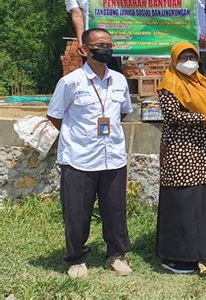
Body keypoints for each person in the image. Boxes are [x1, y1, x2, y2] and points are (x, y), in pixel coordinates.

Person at [47, 28, 133, 279]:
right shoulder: (70, 82)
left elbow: (123, 112)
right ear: (84, 50)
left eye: (108, 44)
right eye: (99, 45)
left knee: (115, 209)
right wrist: (78, 136)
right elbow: (54, 115)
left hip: (113, 156)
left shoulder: (119, 80)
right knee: (77, 212)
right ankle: (76, 259)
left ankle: (116, 255)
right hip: (79, 158)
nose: (105, 48)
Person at [155, 42, 206, 276]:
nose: (189, 61)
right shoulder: (169, 84)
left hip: (204, 150)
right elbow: (173, 116)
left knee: (204, 199)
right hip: (180, 151)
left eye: (192, 57)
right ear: (174, 60)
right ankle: (179, 257)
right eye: (183, 57)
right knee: (184, 201)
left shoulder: (203, 82)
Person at [64, 0, 121, 72]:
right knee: (92, 70)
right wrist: (81, 40)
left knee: (115, 70)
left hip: (111, 35)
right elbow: (77, 14)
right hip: (91, 39)